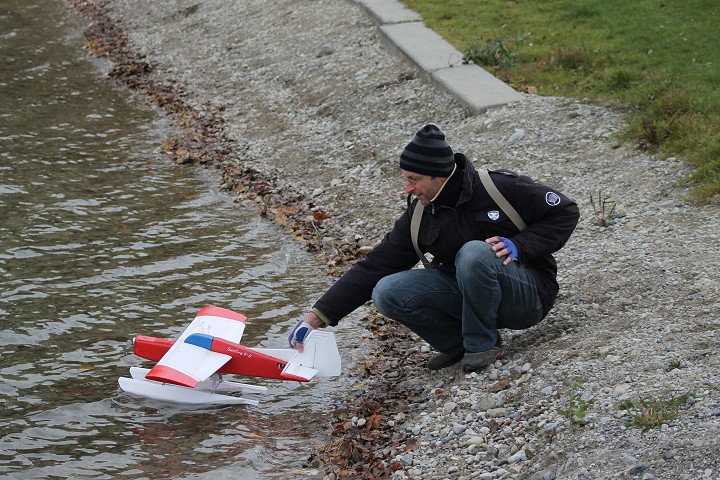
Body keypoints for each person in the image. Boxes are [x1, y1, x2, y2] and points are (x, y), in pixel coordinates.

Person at [288, 124, 580, 372]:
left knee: (474, 253)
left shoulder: (499, 187)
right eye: (406, 180)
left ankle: (483, 345)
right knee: (386, 290)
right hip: (471, 298)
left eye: (413, 180)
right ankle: (459, 345)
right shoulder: (418, 215)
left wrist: (520, 245)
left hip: (527, 297)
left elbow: (565, 211)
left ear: (440, 176)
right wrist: (316, 317)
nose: (408, 189)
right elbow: (375, 266)